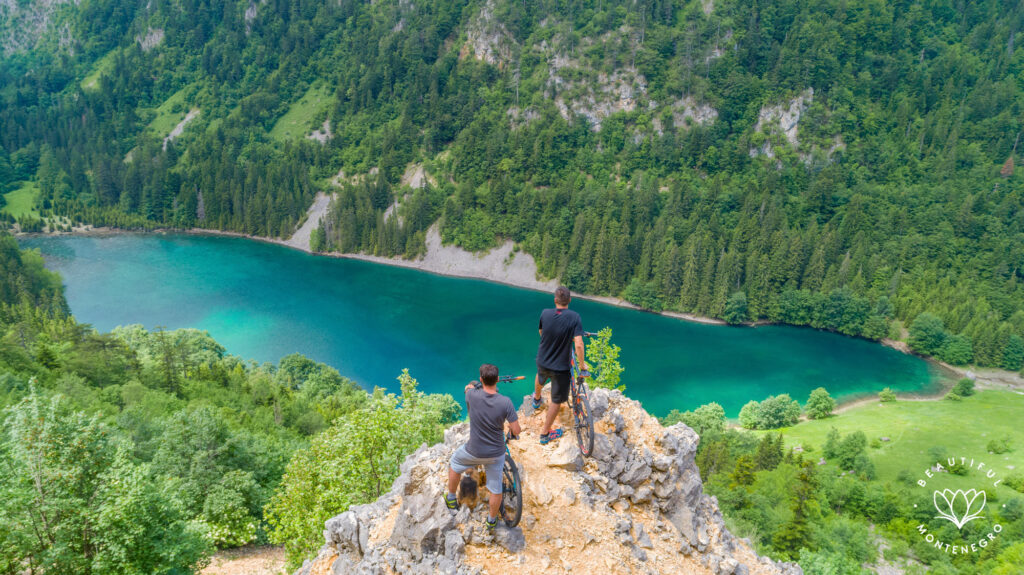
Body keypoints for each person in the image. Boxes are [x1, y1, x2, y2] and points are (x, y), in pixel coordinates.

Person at [444, 363, 522, 531]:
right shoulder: (505, 402)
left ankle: (451, 497)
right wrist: (511, 432)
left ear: (481, 379)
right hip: (496, 454)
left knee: (454, 463)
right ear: (497, 380)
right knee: (495, 489)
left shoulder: (472, 396)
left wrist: (475, 386)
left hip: (473, 451)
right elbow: (516, 430)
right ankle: (492, 520)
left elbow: (468, 388)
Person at [531, 285, 585, 445]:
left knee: (540, 377)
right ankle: (545, 434)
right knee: (556, 400)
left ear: (555, 300)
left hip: (543, 359)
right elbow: (579, 344)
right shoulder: (575, 317)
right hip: (561, 367)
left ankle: (537, 399)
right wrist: (582, 366)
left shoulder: (545, 313)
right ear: (569, 300)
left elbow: (541, 332)